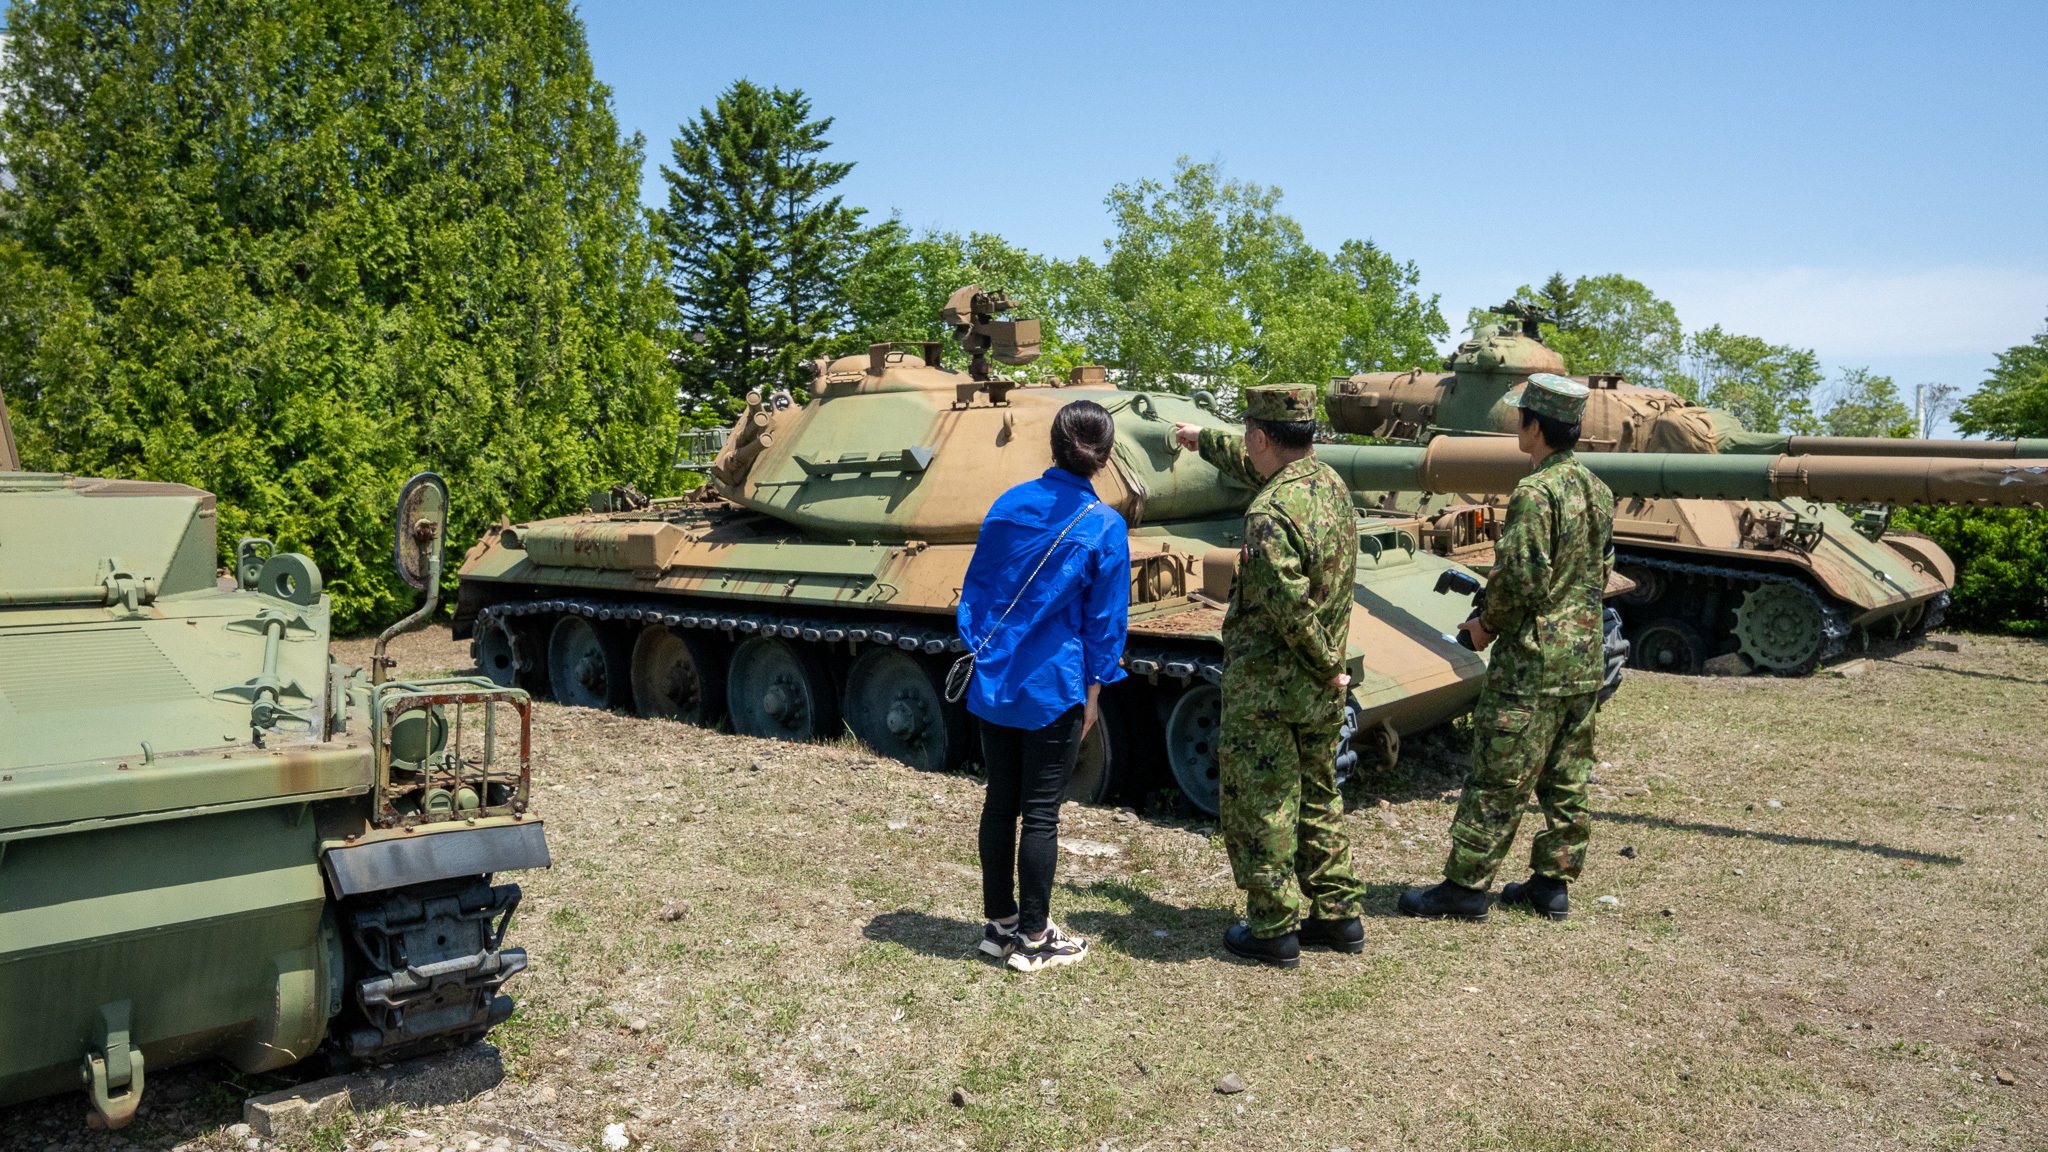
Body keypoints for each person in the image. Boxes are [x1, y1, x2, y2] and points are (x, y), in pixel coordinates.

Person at [1398, 372, 1615, 923]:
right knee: (1566, 776)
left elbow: (1520, 579)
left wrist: (1483, 627)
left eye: (1521, 417)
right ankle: (1551, 884)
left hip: (1534, 663)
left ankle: (1465, 888)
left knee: (1499, 774)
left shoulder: (1536, 493)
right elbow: (1602, 569)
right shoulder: (1598, 490)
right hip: (1583, 656)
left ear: (1534, 425)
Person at [1171, 384, 1367, 970]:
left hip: (1272, 688)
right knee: (1318, 794)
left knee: (1259, 803)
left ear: (1262, 437)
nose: (1246, 448)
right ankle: (1338, 914)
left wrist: (1326, 666)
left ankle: (1272, 927)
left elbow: (1289, 606)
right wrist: (1198, 439)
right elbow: (1249, 459)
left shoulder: (1268, 512)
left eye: (1248, 438)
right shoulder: (1328, 486)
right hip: (1319, 688)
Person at [958, 399, 1130, 973]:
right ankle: (1034, 939)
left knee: (999, 803)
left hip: (996, 676)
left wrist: (989, 652)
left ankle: (999, 925)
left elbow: (977, 593)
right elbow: (1105, 623)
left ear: (1052, 444)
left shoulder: (1006, 506)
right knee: (1041, 814)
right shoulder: (1104, 525)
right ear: (1105, 456)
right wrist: (1096, 690)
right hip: (1054, 684)